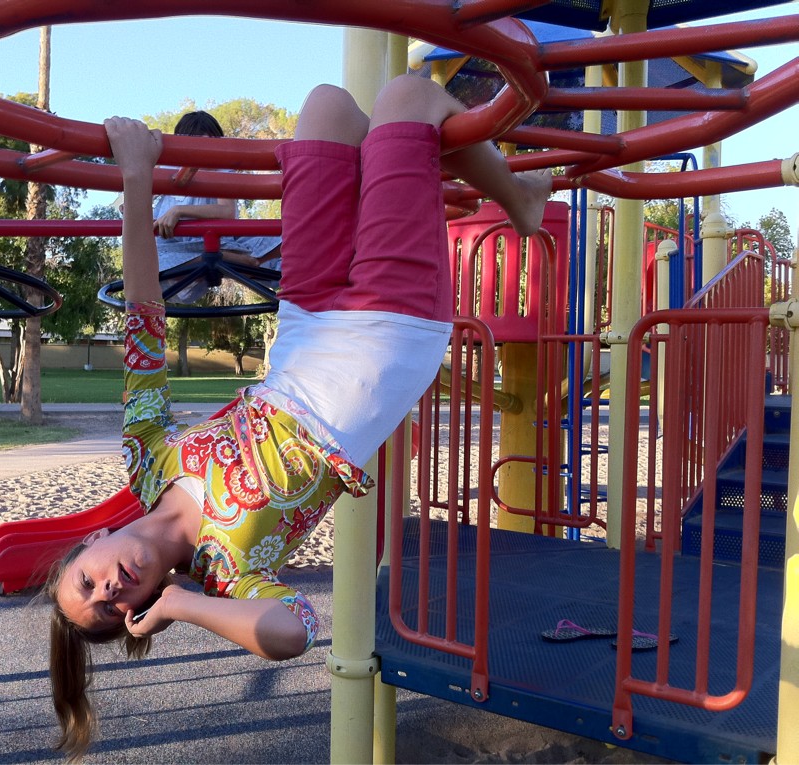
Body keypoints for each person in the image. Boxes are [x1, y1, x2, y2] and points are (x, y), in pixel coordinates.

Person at [45, 75, 552, 760]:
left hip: (307, 321)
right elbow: (295, 630)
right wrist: (180, 605)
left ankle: (437, 170)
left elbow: (144, 320)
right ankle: (519, 201)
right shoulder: (228, 571)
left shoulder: (146, 458)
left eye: (88, 581)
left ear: (92, 543)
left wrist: (139, 181)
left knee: (327, 110)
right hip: (384, 340)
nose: (109, 587)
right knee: (408, 99)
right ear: (138, 611)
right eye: (111, 607)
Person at [151, 110, 282, 302]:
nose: (202, 154)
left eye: (210, 144)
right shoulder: (170, 170)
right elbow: (142, 192)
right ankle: (236, 260)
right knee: (150, 263)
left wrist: (179, 210)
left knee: (290, 231)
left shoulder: (221, 169)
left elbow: (227, 212)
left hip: (220, 240)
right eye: (196, 144)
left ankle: (244, 261)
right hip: (177, 246)